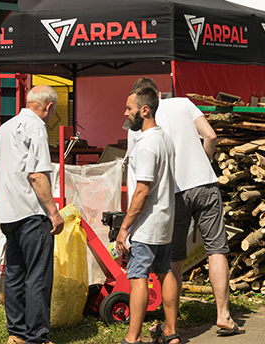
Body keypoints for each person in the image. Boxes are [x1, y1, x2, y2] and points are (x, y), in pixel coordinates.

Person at [128, 77, 245, 336]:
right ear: (159, 93)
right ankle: (224, 315)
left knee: (174, 258)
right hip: (205, 184)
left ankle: (172, 324)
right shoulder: (183, 103)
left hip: (174, 192)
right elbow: (210, 135)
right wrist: (205, 160)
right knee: (216, 249)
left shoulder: (138, 125)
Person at [0, 85, 64, 344]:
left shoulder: (4, 128)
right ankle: (37, 337)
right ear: (48, 107)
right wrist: (54, 213)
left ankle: (17, 333)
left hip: (7, 211)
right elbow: (37, 174)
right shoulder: (36, 127)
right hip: (32, 213)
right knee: (38, 275)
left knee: (15, 273)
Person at [116, 87, 180, 344]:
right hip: (165, 219)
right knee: (165, 272)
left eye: (129, 108)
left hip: (146, 224)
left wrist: (124, 227)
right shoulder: (165, 139)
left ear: (145, 110)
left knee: (137, 276)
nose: (125, 113)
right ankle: (171, 332)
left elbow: (142, 190)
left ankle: (133, 338)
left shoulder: (146, 144)